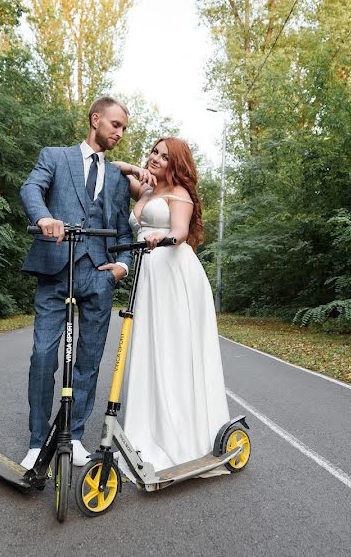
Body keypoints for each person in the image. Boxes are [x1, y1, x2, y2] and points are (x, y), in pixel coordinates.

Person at [19, 96, 154, 469]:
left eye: (124, 128)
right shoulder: (55, 156)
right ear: (95, 119)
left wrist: (122, 266)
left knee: (89, 361)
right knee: (44, 354)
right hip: (55, 268)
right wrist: (44, 216)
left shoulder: (115, 176)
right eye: (115, 125)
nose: (120, 133)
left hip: (99, 274)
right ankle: (35, 442)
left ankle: (74, 435)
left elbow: (127, 223)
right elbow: (31, 189)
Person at [119, 136, 231, 477]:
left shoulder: (179, 195)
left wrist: (160, 237)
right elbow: (110, 168)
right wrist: (135, 168)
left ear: (176, 165)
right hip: (148, 275)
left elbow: (180, 232)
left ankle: (181, 431)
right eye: (154, 152)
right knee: (148, 347)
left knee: (173, 349)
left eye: (164, 157)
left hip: (173, 272)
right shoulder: (146, 191)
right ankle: (146, 427)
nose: (155, 158)